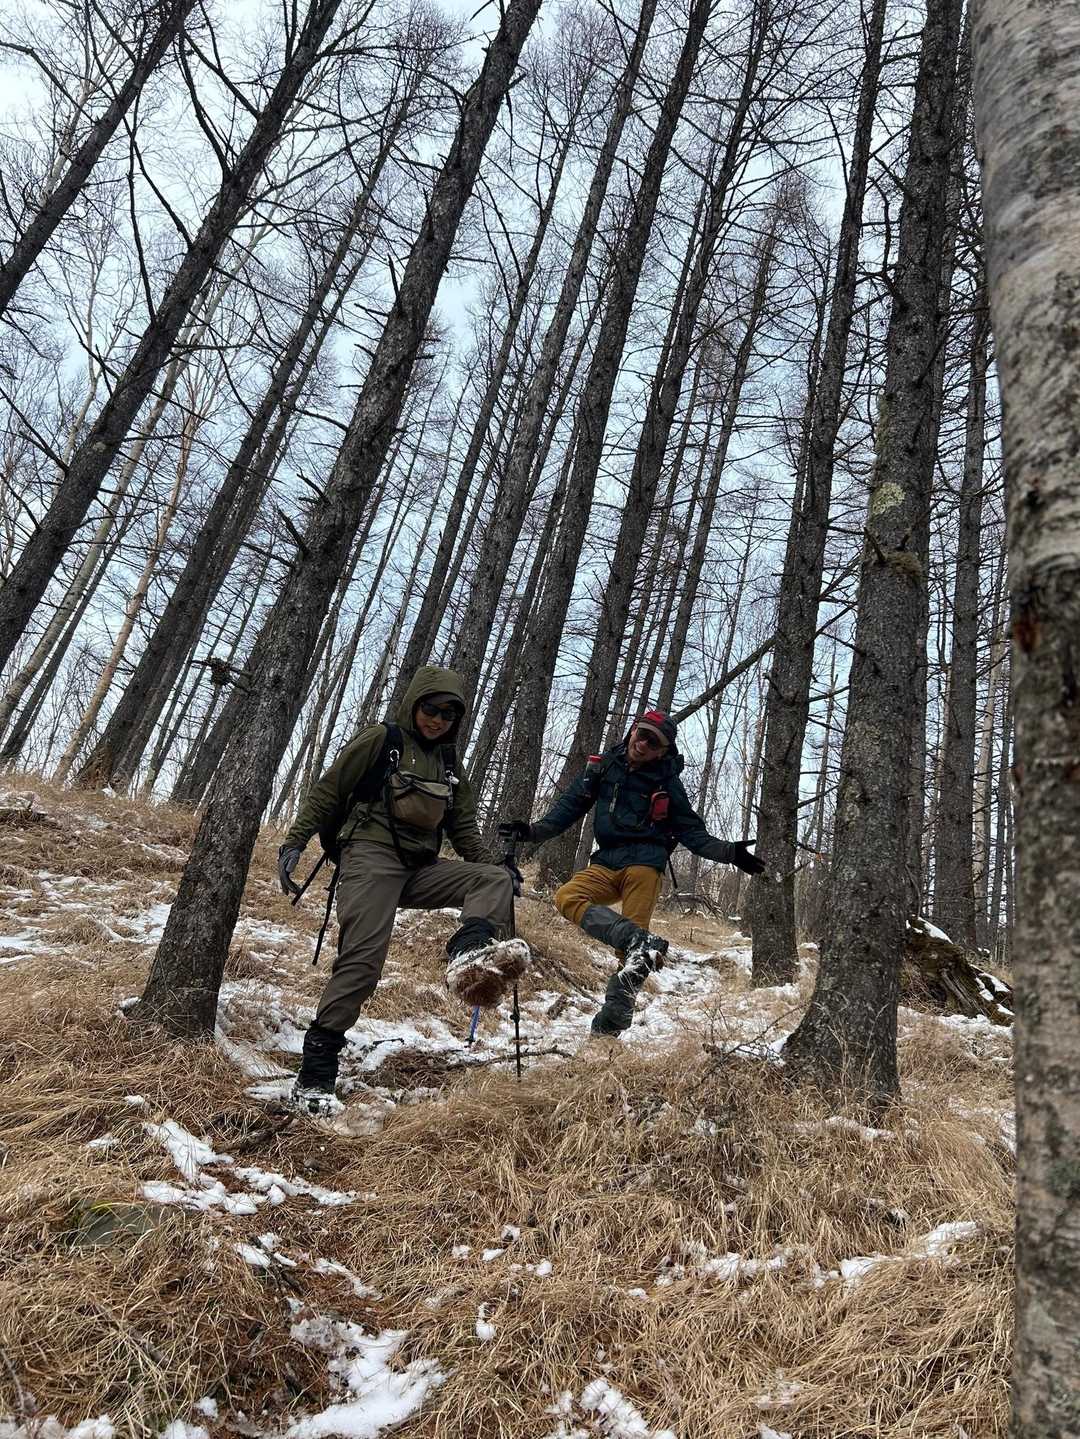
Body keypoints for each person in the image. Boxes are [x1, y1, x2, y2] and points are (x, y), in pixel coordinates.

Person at [278, 665, 528, 1114]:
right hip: (369, 860)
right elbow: (330, 790)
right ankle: (316, 1071)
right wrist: (295, 841)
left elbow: (463, 829)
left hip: (420, 867)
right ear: (415, 703)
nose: (437, 720)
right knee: (363, 963)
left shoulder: (450, 765)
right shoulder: (383, 740)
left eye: (448, 715)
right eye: (431, 709)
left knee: (492, 880)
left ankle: (468, 953)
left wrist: (497, 869)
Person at [499, 709, 763, 1039]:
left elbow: (691, 832)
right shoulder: (603, 767)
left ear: (663, 752)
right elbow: (567, 809)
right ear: (633, 731)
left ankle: (607, 1030)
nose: (643, 744)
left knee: (631, 959)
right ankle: (638, 941)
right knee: (567, 897)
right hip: (605, 862)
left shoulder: (668, 784)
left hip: (644, 866)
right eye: (642, 734)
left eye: (654, 743)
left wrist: (729, 853)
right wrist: (531, 831)